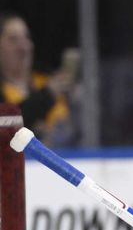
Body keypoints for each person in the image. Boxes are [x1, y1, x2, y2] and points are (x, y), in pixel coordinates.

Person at [0, 12, 77, 146]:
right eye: (13, 39)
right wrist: (47, 95)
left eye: (26, 38)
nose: (23, 47)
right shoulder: (49, 89)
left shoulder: (46, 81)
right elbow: (5, 123)